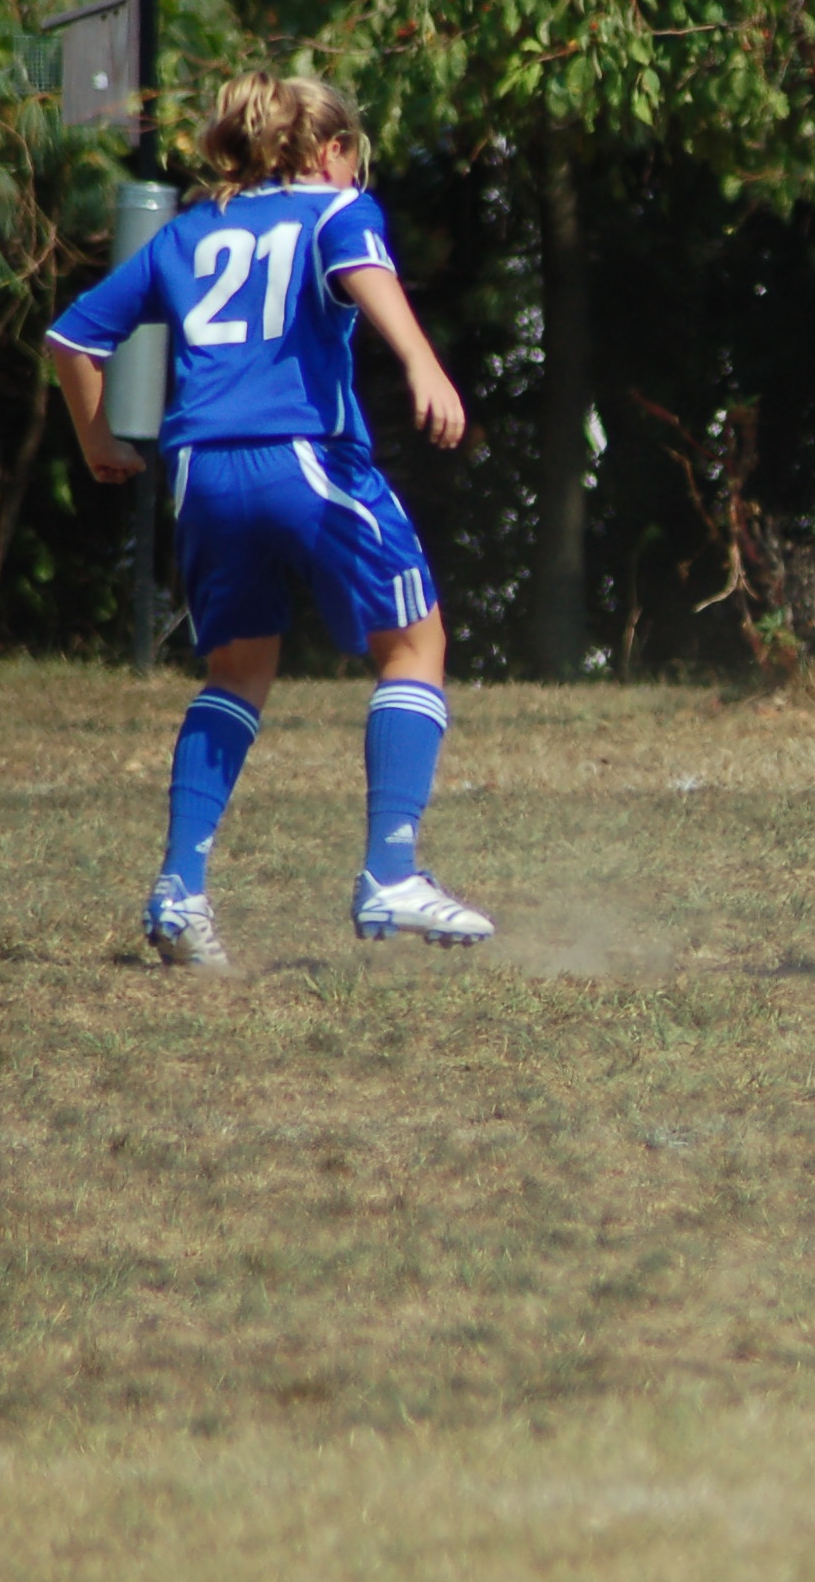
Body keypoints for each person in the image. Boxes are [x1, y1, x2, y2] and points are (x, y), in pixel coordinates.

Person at [45, 72, 493, 967]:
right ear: (331, 151)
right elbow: (362, 268)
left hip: (203, 473)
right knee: (415, 643)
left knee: (237, 670)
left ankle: (180, 891)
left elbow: (72, 339)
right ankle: (391, 872)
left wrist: (98, 439)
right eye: (354, 156)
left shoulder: (189, 230)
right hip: (303, 458)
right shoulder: (336, 208)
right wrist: (422, 363)